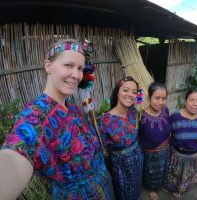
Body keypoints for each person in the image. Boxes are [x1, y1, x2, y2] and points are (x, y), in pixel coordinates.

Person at [0, 39, 114, 199]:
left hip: (105, 187)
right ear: (48, 66)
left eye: (80, 68)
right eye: (68, 65)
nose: (76, 75)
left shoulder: (72, 107)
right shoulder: (35, 118)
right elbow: (16, 154)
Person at [98, 76, 144, 200]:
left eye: (134, 92)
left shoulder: (134, 112)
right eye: (125, 90)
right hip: (121, 166)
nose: (130, 95)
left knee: (136, 188)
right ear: (117, 92)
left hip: (137, 158)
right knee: (123, 192)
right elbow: (103, 150)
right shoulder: (104, 120)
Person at [165, 89, 197, 199]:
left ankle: (183, 188)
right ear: (186, 101)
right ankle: (175, 189)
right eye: (192, 100)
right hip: (178, 156)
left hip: (195, 156)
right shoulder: (175, 116)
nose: (195, 104)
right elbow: (166, 134)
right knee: (175, 176)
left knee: (189, 176)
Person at [139, 82, 171, 200]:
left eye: (164, 98)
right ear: (149, 97)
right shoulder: (141, 116)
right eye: (157, 98)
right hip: (150, 154)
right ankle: (152, 189)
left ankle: (161, 184)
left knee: (164, 169)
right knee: (151, 173)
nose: (161, 102)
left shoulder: (166, 111)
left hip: (166, 149)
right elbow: (138, 137)